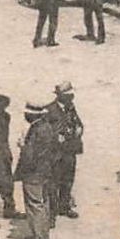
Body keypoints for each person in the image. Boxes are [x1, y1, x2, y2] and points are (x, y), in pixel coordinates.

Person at [15, 100, 59, 239]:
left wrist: (22, 146)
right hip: (46, 171)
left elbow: (31, 156)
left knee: (34, 206)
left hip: (34, 173)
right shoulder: (47, 127)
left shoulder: (37, 130)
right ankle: (42, 235)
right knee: (43, 203)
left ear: (33, 115)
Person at [49, 82, 84, 219]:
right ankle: (52, 211)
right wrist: (56, 137)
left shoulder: (71, 107)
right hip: (57, 152)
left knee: (68, 179)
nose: (71, 97)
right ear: (60, 96)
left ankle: (64, 206)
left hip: (70, 150)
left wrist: (80, 128)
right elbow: (47, 129)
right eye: (68, 95)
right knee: (54, 181)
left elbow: (78, 122)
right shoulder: (50, 109)